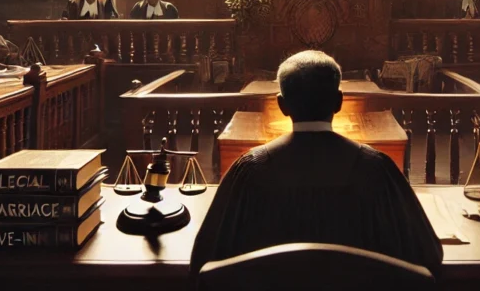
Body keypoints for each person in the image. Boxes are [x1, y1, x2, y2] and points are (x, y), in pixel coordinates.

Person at [189, 50, 443, 280]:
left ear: (282, 105)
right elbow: (429, 255)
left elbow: (204, 261)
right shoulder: (377, 169)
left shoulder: (249, 170)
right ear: (339, 102)